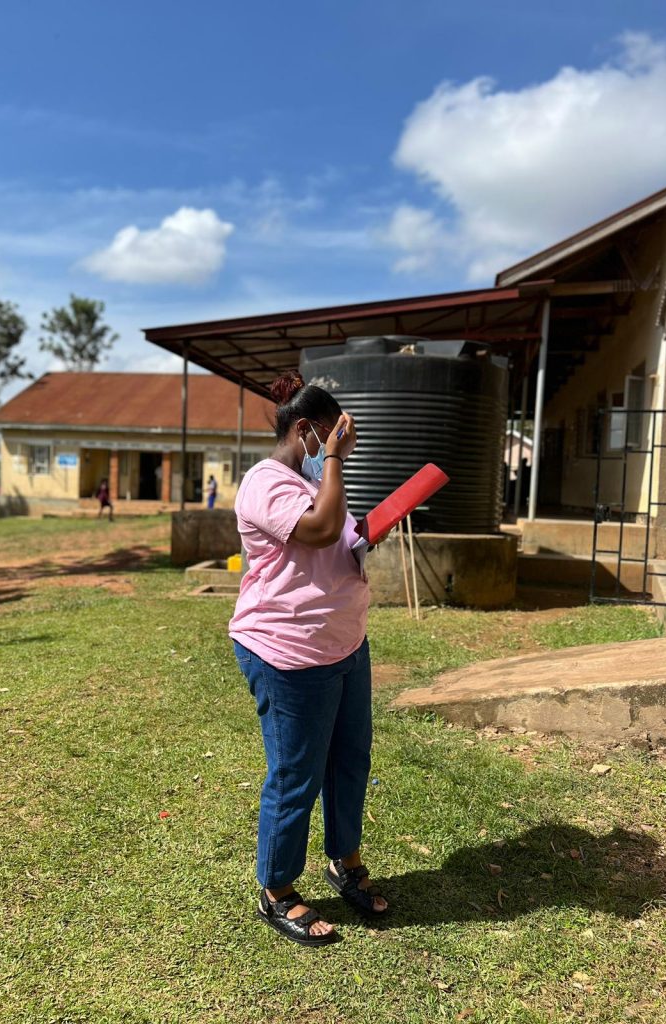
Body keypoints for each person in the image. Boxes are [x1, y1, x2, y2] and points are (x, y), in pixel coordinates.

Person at [229, 371, 388, 948]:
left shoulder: (314, 480)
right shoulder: (265, 482)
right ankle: (276, 890)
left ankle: (344, 859)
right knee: (296, 774)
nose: (338, 448)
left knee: (349, 760)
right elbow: (319, 530)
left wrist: (367, 534)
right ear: (305, 431)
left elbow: (337, 538)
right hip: (289, 652)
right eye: (332, 437)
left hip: (344, 644)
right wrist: (337, 461)